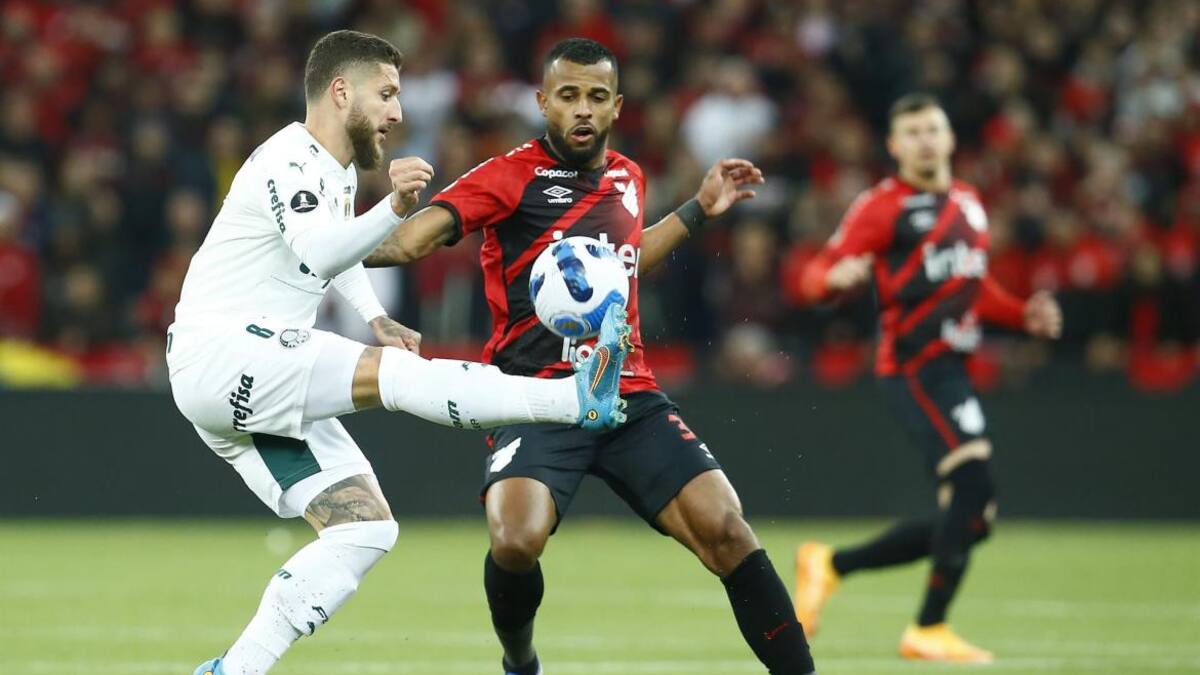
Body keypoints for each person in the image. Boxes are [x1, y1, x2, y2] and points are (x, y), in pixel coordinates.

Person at [168, 30, 629, 675]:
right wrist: (394, 206)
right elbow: (319, 252)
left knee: (364, 529)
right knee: (391, 376)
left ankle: (231, 671)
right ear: (340, 92)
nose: (397, 113)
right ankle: (575, 397)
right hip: (226, 351)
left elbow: (335, 253)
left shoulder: (330, 169)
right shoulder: (290, 160)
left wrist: (376, 315)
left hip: (241, 380)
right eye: (385, 95)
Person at [365, 38, 817, 675]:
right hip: (531, 395)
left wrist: (697, 211)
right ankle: (520, 660)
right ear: (545, 102)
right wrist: (329, 247)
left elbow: (621, 266)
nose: (582, 109)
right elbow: (413, 241)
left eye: (597, 97)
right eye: (569, 96)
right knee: (515, 540)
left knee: (728, 530)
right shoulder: (508, 176)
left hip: (625, 393)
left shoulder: (628, 178)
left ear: (616, 106)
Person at [792, 93, 1063, 664]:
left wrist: (1021, 315)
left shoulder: (969, 202)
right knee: (973, 488)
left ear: (949, 138)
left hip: (951, 369)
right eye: (911, 132)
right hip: (912, 366)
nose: (924, 140)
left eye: (932, 129)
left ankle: (830, 564)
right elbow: (816, 271)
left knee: (972, 519)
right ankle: (928, 628)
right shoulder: (882, 206)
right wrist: (830, 280)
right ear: (893, 146)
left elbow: (970, 285)